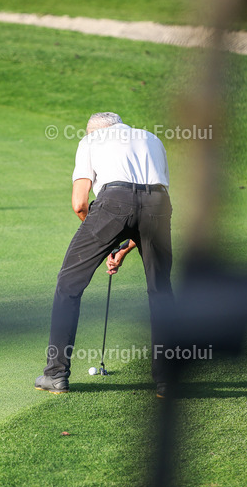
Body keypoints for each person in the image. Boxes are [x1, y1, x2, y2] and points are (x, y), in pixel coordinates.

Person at [35, 112, 173, 397]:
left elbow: (79, 202)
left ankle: (56, 374)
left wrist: (102, 237)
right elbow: (148, 207)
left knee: (68, 286)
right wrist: (122, 247)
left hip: (114, 202)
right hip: (158, 204)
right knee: (161, 290)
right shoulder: (153, 139)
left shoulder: (91, 140)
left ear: (92, 130)